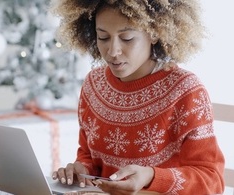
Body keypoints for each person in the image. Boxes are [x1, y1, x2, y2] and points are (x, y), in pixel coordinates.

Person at [50, 0, 225, 194]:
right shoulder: (93, 84)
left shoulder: (186, 91)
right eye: (103, 37)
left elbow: (212, 180)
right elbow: (89, 157)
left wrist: (151, 176)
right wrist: (81, 171)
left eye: (126, 38)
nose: (112, 51)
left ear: (154, 34)